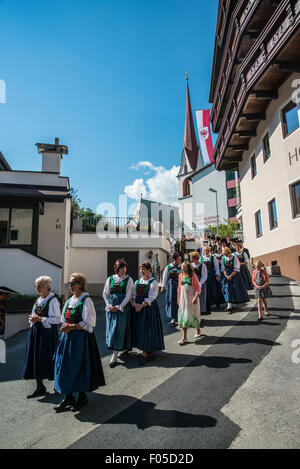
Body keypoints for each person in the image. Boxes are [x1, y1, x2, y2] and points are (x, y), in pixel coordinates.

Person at [54, 273, 105, 412]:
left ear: (80, 284)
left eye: (72, 283)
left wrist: (73, 326)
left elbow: (90, 322)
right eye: (69, 283)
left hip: (80, 339)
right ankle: (68, 397)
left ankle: (82, 397)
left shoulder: (86, 300)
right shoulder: (70, 300)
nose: (69, 286)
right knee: (64, 366)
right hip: (67, 337)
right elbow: (63, 318)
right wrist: (65, 325)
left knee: (80, 366)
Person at [22, 276, 61, 399]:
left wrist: (39, 319)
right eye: (36, 286)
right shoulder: (38, 300)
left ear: (46, 287)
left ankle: (57, 386)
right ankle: (40, 387)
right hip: (36, 332)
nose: (37, 288)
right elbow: (34, 314)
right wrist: (33, 318)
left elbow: (57, 319)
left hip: (48, 333)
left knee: (50, 357)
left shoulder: (53, 300)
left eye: (39, 286)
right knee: (35, 357)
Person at [103, 259, 134, 368]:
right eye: (121, 268)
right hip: (111, 308)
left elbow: (128, 295)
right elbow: (105, 293)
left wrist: (119, 306)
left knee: (120, 329)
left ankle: (115, 355)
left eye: (125, 267)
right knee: (112, 329)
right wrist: (109, 305)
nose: (124, 270)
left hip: (122, 308)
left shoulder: (129, 279)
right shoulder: (110, 279)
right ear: (117, 269)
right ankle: (121, 348)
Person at [132, 263, 165, 365]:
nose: (142, 271)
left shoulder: (153, 282)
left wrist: (140, 306)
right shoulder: (137, 281)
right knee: (139, 329)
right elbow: (133, 294)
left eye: (144, 269)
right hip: (138, 307)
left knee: (146, 329)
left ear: (149, 270)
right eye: (141, 269)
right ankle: (145, 349)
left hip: (148, 308)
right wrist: (134, 305)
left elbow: (151, 297)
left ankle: (145, 354)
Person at [177, 262, 202, 345]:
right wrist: (178, 299)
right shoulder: (180, 276)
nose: (182, 269)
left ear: (188, 268)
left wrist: (195, 297)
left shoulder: (193, 276)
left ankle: (198, 329)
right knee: (184, 316)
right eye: (182, 267)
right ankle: (184, 338)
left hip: (191, 298)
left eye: (184, 267)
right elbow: (179, 288)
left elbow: (198, 288)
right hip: (183, 299)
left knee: (193, 315)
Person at [220, 248, 250, 313]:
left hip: (234, 275)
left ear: (229, 252)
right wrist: (226, 275)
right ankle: (229, 305)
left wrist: (230, 276)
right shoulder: (223, 258)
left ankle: (234, 302)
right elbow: (223, 268)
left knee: (234, 288)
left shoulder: (234, 257)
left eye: (227, 254)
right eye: (225, 254)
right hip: (226, 275)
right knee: (227, 289)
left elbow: (236, 268)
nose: (226, 256)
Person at [201, 245, 225, 310]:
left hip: (212, 275)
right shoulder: (201, 258)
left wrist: (217, 275)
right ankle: (208, 304)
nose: (207, 252)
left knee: (214, 289)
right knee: (207, 290)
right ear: (204, 251)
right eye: (206, 251)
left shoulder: (213, 258)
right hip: (204, 276)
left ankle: (217, 303)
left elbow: (216, 267)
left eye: (208, 251)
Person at [161, 253, 182, 327]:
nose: (180, 260)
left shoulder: (181, 267)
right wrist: (163, 286)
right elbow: (165, 277)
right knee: (171, 300)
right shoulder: (168, 267)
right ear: (174, 259)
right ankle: (173, 318)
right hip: (171, 285)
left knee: (180, 300)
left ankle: (180, 317)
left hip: (180, 285)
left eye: (180, 259)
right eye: (179, 259)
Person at [190, 251, 208, 316]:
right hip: (192, 284)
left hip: (200, 283)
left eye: (191, 257)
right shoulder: (191, 265)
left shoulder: (202, 265)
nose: (190, 259)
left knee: (201, 298)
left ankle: (200, 314)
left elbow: (204, 276)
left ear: (194, 258)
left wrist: (200, 284)